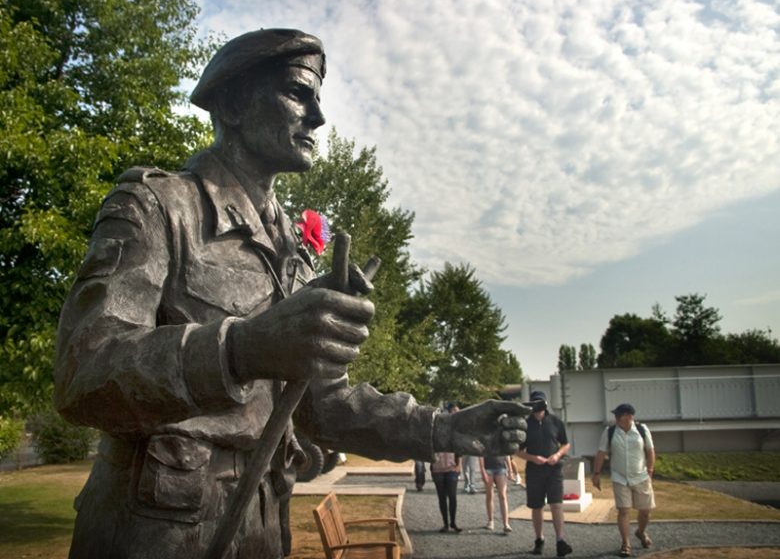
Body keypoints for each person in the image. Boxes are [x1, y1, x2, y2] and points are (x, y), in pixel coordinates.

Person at [53, 28, 529, 559]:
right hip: (156, 531)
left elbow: (321, 405)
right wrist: (243, 349)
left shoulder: (290, 249)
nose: (318, 118)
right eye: (297, 93)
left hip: (262, 527)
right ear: (233, 105)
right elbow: (84, 369)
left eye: (318, 99)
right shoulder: (158, 207)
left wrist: (443, 427)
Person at [591, 403, 656, 558]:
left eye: (619, 415)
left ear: (629, 416)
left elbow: (650, 450)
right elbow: (601, 452)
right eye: (616, 415)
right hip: (620, 477)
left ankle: (640, 532)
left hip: (641, 476)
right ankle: (625, 543)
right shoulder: (610, 431)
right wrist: (596, 473)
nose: (616, 418)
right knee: (623, 511)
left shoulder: (642, 430)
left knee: (645, 511)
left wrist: (650, 470)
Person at [517, 391, 573, 557]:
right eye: (534, 403)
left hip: (554, 470)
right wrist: (533, 458)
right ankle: (539, 539)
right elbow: (518, 451)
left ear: (545, 404)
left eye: (539, 403)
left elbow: (566, 444)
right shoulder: (525, 424)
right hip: (534, 471)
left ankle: (560, 540)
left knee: (556, 504)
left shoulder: (555, 421)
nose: (537, 406)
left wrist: (557, 455)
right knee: (537, 506)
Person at [430, 404, 462, 533]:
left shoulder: (454, 431)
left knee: (453, 497)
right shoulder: (432, 432)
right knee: (442, 498)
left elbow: (459, 449)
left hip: (451, 468)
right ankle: (445, 524)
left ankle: (453, 522)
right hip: (437, 469)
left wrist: (459, 465)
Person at [479, 454, 513, 533]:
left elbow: (506, 453)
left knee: (503, 496)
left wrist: (510, 469)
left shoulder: (503, 441)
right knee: (489, 495)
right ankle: (491, 521)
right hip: (488, 468)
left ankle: (506, 524)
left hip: (501, 467)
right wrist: (482, 470)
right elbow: (480, 454)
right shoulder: (486, 441)